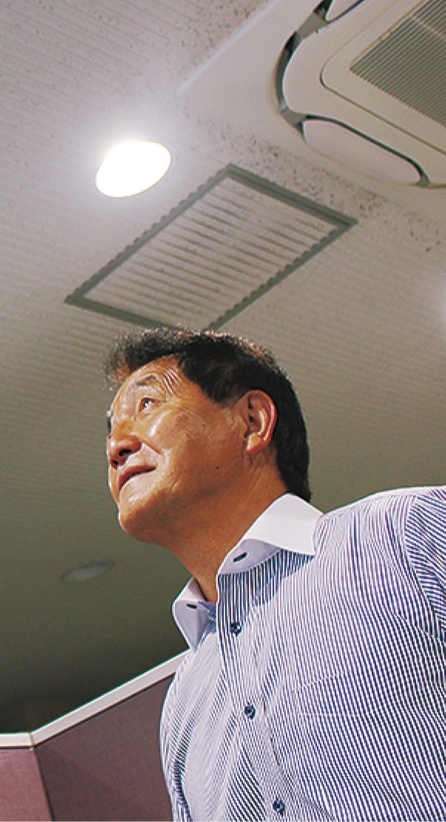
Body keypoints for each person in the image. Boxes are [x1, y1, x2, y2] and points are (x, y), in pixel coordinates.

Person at [104, 327, 446, 822]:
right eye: (110, 428)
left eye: (147, 404)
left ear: (252, 422)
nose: (116, 445)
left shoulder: (405, 534)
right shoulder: (182, 706)